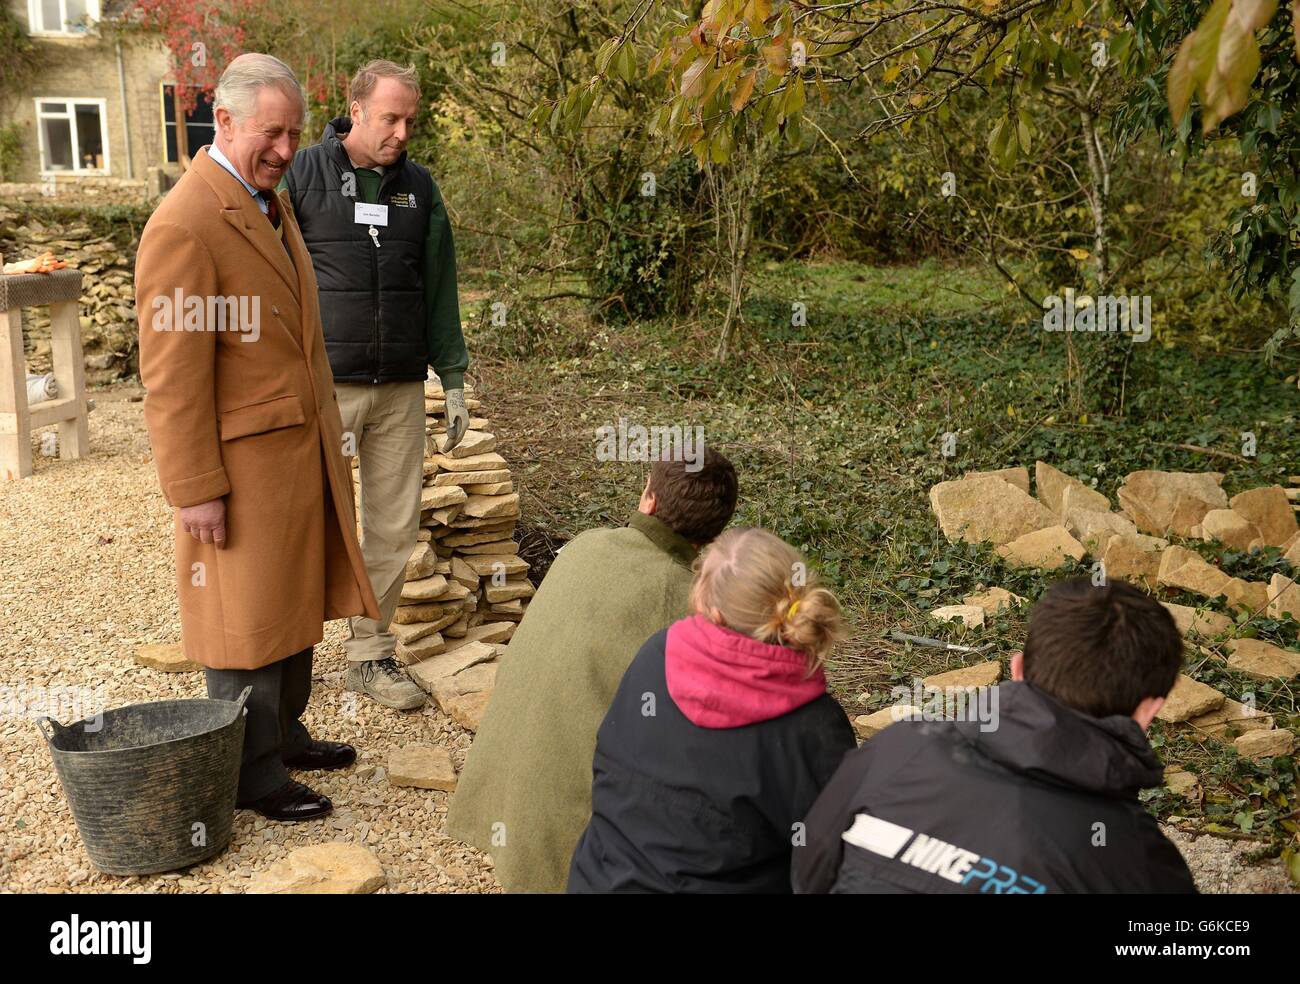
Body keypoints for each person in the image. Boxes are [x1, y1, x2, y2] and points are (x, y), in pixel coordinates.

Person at [135, 54, 380, 822]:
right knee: (244, 620)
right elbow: (172, 378)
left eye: (295, 133)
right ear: (227, 122)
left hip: (295, 451)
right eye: (271, 133)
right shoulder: (186, 222)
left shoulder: (265, 201)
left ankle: (283, 732)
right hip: (241, 467)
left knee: (291, 600)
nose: (284, 148)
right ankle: (249, 772)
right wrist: (195, 488)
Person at [445, 449, 738, 892]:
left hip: (503, 790)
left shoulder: (587, 545)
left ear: (649, 500)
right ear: (717, 530)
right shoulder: (688, 602)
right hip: (574, 838)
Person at [793, 578, 1197, 894]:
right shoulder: (1138, 863)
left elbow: (810, 871)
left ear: (1017, 669)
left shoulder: (899, 748)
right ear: (1150, 710)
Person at [281, 60, 470, 710]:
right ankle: (285, 659)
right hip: (323, 386)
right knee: (304, 520)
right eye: (390, 117)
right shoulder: (302, 174)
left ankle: (369, 654)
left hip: (398, 386)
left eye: (410, 120)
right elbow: (268, 275)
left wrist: (455, 375)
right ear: (355, 110)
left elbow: (440, 285)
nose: (401, 132)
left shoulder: (418, 188)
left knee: (392, 525)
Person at [567, 527, 857, 893]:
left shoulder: (658, 654)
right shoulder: (816, 726)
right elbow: (834, 856)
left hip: (599, 880)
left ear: (716, 614)